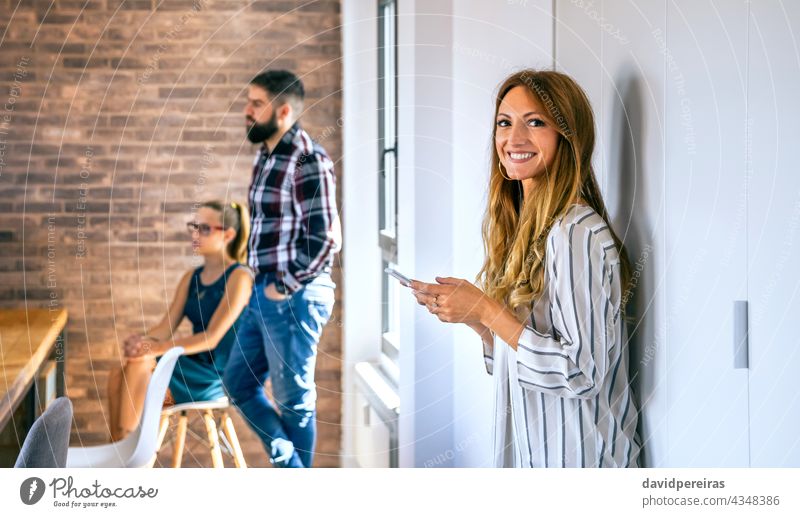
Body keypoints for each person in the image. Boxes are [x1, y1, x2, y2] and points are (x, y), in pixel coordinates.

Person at [410, 70, 643, 467]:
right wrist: (476, 319)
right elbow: (522, 355)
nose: (513, 139)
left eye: (535, 122)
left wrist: (487, 309)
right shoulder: (527, 228)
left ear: (568, 136)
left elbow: (579, 373)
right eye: (504, 123)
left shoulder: (575, 234)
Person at [223, 70, 338, 468]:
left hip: (293, 295)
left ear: (283, 110)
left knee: (294, 403)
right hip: (263, 292)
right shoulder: (267, 155)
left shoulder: (308, 159)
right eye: (248, 101)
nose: (247, 110)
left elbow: (324, 238)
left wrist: (283, 287)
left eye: (257, 103)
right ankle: (292, 471)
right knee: (238, 382)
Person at [107, 200, 253, 442]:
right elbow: (165, 327)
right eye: (194, 226)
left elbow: (211, 337)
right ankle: (119, 447)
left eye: (204, 228)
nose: (195, 233)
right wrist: (142, 341)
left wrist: (154, 348)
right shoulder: (191, 277)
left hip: (216, 373)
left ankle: (129, 452)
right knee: (118, 371)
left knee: (139, 365)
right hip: (190, 363)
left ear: (228, 235)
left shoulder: (240, 277)